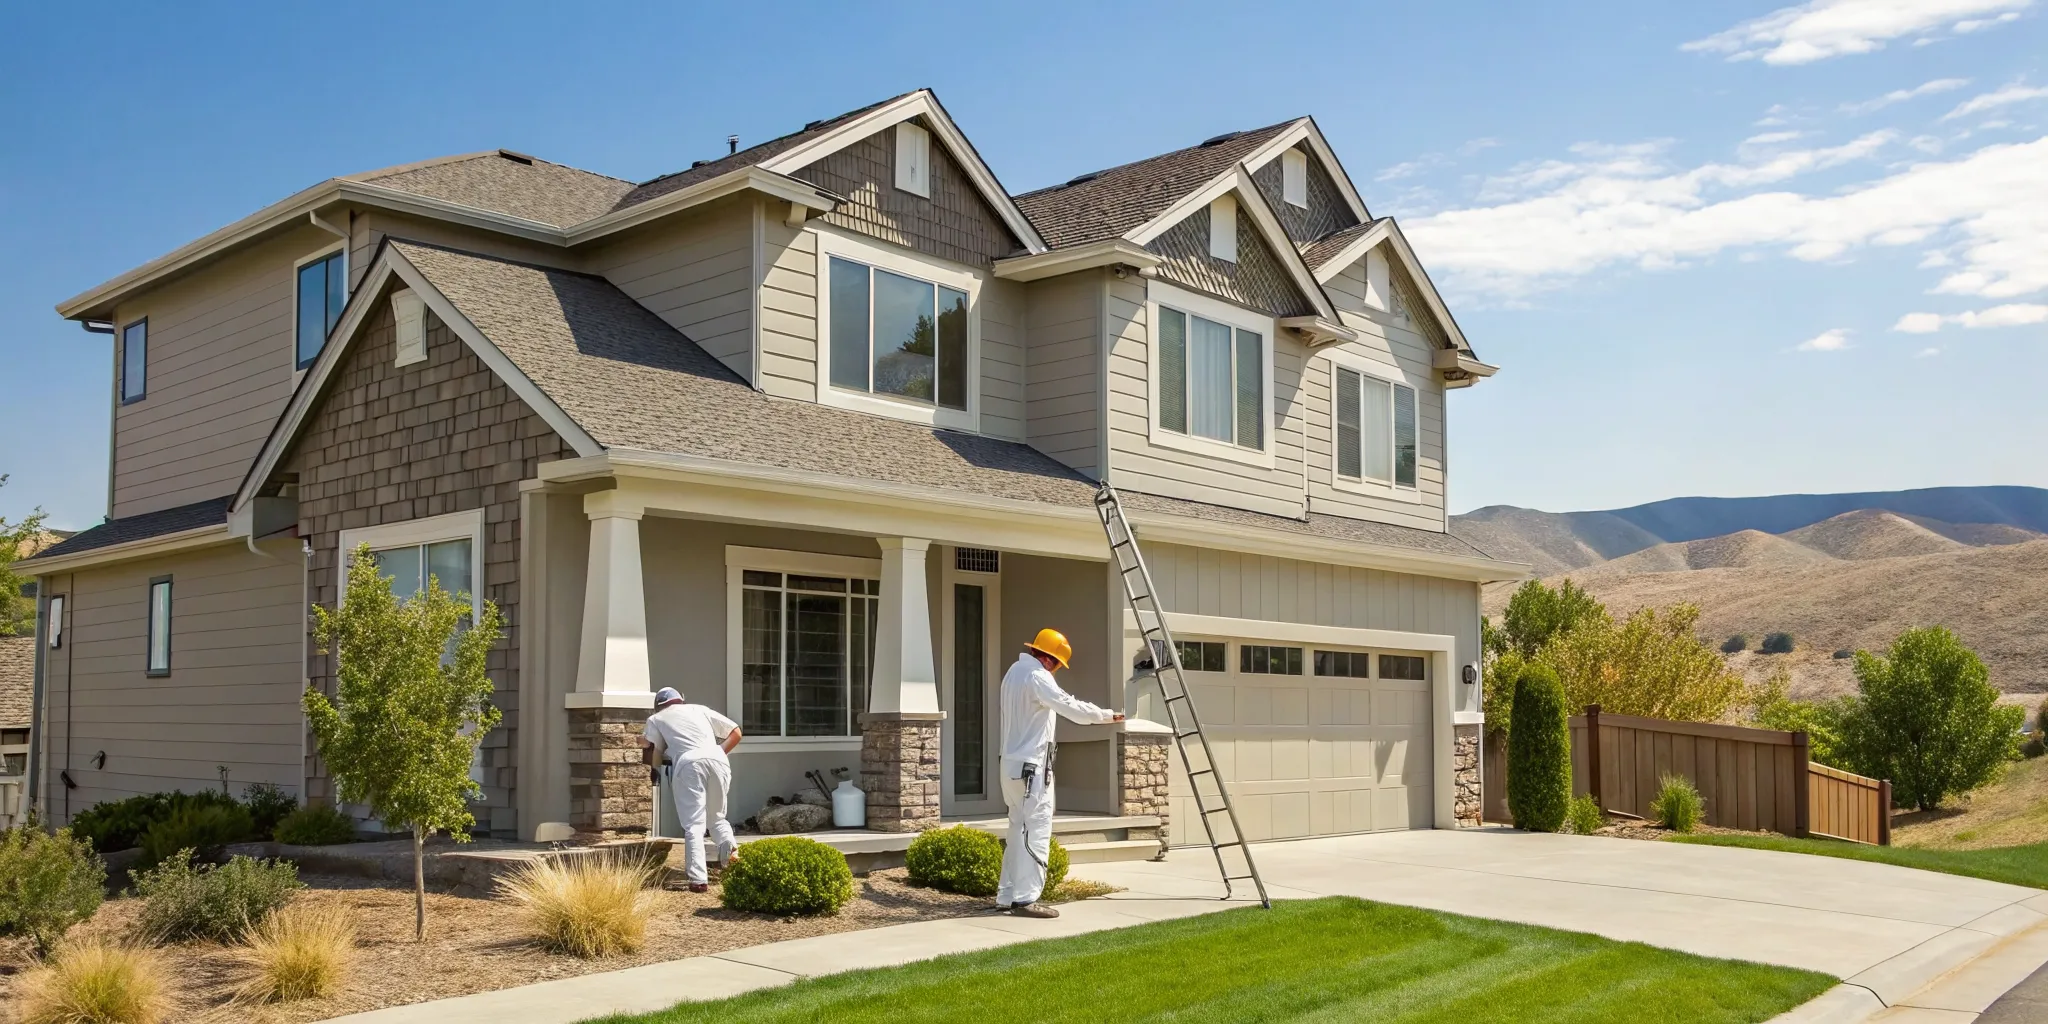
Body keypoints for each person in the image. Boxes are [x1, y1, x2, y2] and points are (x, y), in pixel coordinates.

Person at [997, 628, 1122, 918]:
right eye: (1057, 665)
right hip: (1032, 767)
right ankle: (1026, 899)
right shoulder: (1038, 677)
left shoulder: (1013, 673)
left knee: (1017, 829)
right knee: (1037, 828)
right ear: (1050, 660)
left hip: (1011, 766)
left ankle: (1007, 894)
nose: (1056, 671)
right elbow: (1069, 706)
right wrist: (1104, 715)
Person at [641, 687, 742, 893]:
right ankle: (731, 855)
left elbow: (654, 753)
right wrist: (715, 753)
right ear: (681, 700)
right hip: (719, 760)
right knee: (717, 818)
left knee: (694, 824)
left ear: (658, 706)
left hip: (689, 764)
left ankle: (698, 880)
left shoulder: (656, 719)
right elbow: (736, 732)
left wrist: (653, 769)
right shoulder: (700, 709)